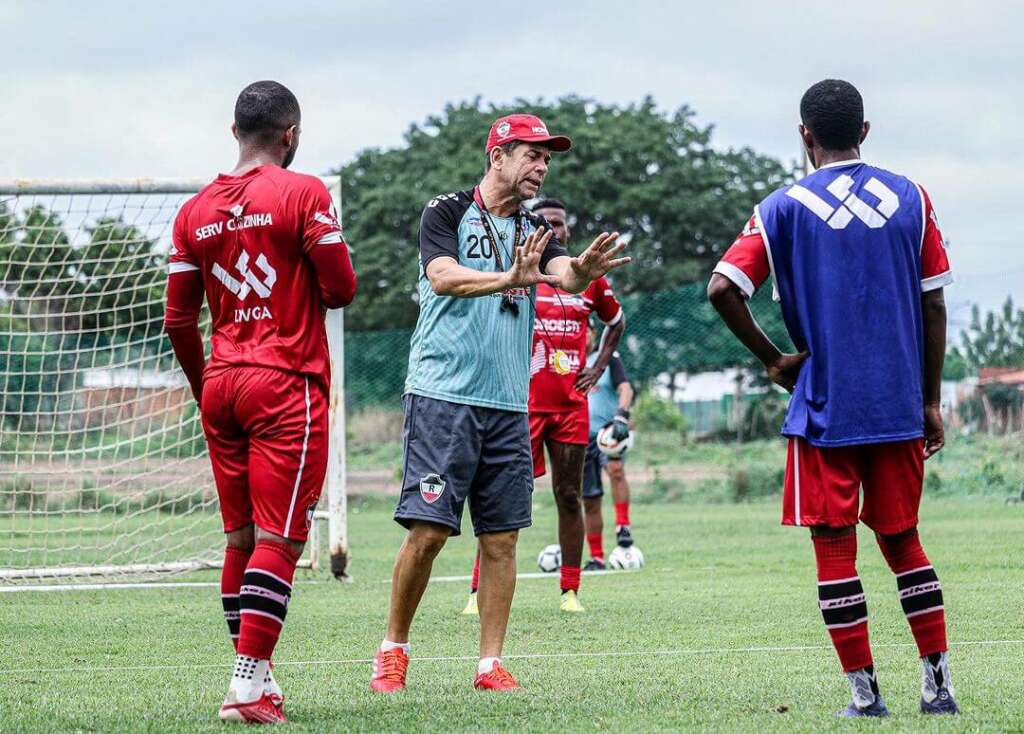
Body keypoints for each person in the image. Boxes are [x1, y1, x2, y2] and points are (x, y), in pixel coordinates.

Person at [707, 79, 956, 717]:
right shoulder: (911, 196)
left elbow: (723, 288)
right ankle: (938, 689)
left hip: (825, 405)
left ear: (805, 135)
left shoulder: (781, 207)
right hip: (897, 404)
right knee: (904, 541)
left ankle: (865, 698)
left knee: (834, 546)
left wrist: (773, 360)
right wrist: (929, 401)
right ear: (864, 132)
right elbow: (933, 303)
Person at [371, 113, 629, 694]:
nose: (542, 167)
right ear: (498, 156)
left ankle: (489, 664)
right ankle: (393, 650)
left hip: (509, 404)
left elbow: (562, 272)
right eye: (532, 155)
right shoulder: (446, 211)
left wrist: (580, 272)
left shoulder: (535, 227)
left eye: (547, 159)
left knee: (502, 538)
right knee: (428, 533)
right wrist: (510, 276)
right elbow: (443, 277)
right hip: (443, 395)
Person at [164, 80, 357, 723]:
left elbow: (177, 320)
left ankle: (260, 678)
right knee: (280, 539)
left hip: (221, 382)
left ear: (235, 132)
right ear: (290, 135)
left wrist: (205, 389)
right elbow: (341, 289)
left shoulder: (193, 211)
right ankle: (246, 688)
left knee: (240, 540)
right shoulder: (304, 192)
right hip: (285, 382)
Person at [461, 198, 625, 615]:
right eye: (546, 222)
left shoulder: (588, 280)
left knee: (569, 494)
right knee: (501, 496)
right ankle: (477, 592)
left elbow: (616, 321)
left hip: (570, 407)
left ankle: (570, 590)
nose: (554, 229)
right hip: (521, 405)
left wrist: (598, 366)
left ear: (567, 230)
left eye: (560, 223)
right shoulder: (518, 274)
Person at [580, 321, 635, 570]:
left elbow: (625, 388)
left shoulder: (608, 358)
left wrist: (622, 415)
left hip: (608, 433)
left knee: (616, 470)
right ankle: (597, 557)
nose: (583, 336)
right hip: (580, 437)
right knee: (590, 499)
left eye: (587, 331)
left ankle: (623, 526)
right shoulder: (568, 361)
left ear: (594, 333)